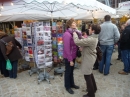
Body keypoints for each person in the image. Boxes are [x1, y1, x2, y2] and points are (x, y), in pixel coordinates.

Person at [73, 24, 101, 97]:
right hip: (90, 57)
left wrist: (74, 34)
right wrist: (80, 36)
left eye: (90, 28)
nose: (88, 29)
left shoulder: (92, 39)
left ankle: (91, 94)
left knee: (87, 76)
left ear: (93, 30)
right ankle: (94, 88)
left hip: (89, 59)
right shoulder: (93, 37)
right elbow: (86, 40)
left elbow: (77, 42)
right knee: (90, 73)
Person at [63, 18, 80, 94]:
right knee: (68, 71)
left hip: (73, 55)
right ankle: (67, 86)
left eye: (75, 23)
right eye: (74, 23)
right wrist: (70, 60)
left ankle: (72, 84)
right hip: (68, 57)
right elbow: (67, 48)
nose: (75, 24)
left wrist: (78, 31)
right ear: (69, 25)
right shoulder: (67, 34)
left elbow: (79, 39)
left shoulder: (74, 32)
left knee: (71, 71)